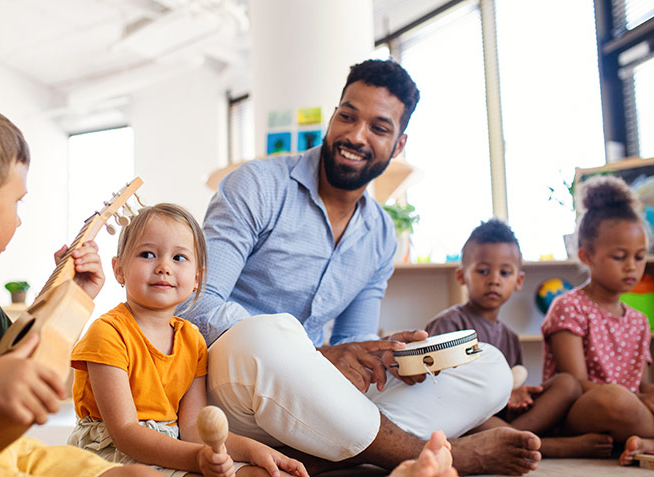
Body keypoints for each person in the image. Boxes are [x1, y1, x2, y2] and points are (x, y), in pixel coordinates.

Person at [175, 59, 541, 476]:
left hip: (314, 407)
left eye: (378, 128)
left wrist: (390, 357)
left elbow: (354, 340)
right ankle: (433, 456)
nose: (355, 135)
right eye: (347, 116)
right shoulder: (257, 185)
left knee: (489, 365)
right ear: (333, 116)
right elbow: (196, 304)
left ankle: (317, 459)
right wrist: (313, 356)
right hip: (234, 386)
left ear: (398, 144)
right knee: (265, 334)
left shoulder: (382, 234)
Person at [0, 88, 159, 476]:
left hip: (6, 452)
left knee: (137, 474)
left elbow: (22, 352)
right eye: (17, 202)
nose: (19, 219)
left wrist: (71, 295)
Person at [68, 203, 308, 477]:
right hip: (109, 456)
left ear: (197, 278)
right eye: (147, 254)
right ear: (119, 269)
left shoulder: (192, 341)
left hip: (173, 449)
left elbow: (193, 428)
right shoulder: (107, 333)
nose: (163, 267)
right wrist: (198, 459)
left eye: (179, 258)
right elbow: (125, 433)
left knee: (264, 474)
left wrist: (256, 450)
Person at [426, 218, 614, 458]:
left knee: (567, 385)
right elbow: (437, 387)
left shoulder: (510, 337)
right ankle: (546, 446)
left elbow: (515, 381)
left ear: (518, 281)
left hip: (501, 415)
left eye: (505, 272)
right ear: (462, 276)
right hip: (466, 414)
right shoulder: (450, 324)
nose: (494, 279)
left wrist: (519, 393)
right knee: (472, 417)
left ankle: (512, 439)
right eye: (483, 271)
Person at [540, 175, 654, 466]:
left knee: (625, 400)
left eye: (640, 257)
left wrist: (647, 397)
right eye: (619, 256)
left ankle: (645, 442)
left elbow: (643, 385)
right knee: (614, 399)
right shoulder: (569, 306)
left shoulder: (640, 322)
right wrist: (638, 400)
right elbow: (575, 384)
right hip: (581, 411)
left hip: (631, 411)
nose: (632, 266)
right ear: (586, 256)